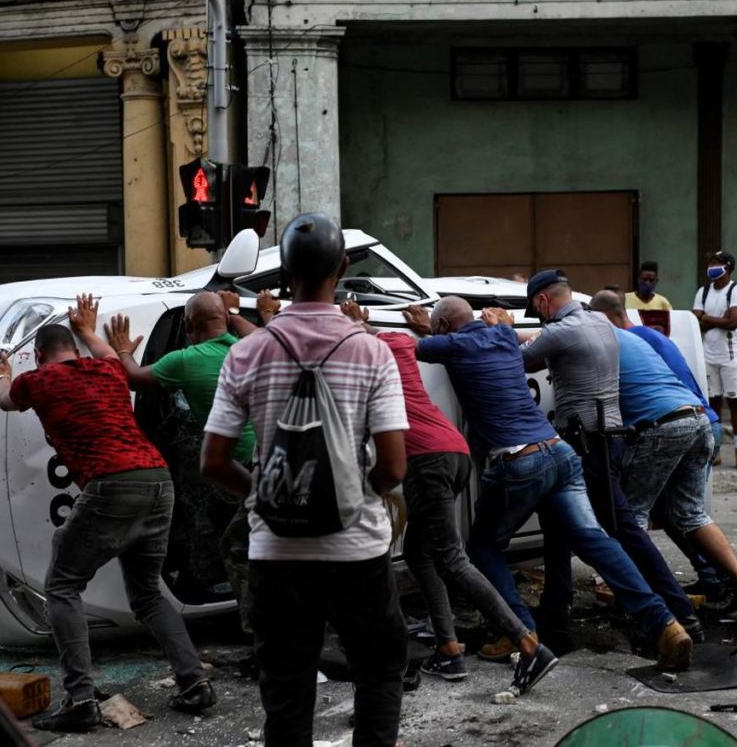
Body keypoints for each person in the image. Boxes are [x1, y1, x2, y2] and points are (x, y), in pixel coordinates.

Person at [201, 213, 409, 747]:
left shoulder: (247, 351)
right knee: (379, 673)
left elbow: (213, 461)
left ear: (284, 272)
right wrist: (359, 493)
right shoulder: (371, 350)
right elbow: (393, 467)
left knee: (287, 694)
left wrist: (267, 493)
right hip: (357, 550)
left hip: (275, 553)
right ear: (342, 268)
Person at [403, 297, 693, 673]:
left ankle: (518, 629)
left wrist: (417, 328)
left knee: (483, 547)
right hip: (560, 452)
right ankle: (666, 625)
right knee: (596, 542)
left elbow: (406, 345)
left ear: (443, 328)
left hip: (519, 460)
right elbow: (522, 334)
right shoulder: (504, 336)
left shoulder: (455, 344)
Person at [0, 295, 213, 733]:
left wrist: (2, 375)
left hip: (111, 484)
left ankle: (80, 699)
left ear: (40, 356)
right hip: (158, 481)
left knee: (62, 586)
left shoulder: (39, 380)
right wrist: (89, 329)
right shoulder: (107, 370)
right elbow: (110, 355)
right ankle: (194, 682)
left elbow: (6, 399)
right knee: (148, 595)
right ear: (77, 351)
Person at [341, 298, 555, 688]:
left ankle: (528, 644)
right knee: (422, 555)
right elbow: (393, 338)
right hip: (453, 450)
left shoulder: (366, 346)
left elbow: (363, 343)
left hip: (425, 459)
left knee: (452, 559)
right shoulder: (400, 342)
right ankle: (449, 650)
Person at [519, 270, 698, 645]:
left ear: (542, 302)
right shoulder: (600, 323)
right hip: (609, 438)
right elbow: (543, 350)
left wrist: (496, 328)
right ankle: (556, 616)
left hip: (585, 443)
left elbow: (521, 359)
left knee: (612, 532)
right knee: (560, 525)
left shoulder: (559, 332)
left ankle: (672, 613)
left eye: (537, 312)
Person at [587, 296, 737, 617]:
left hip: (662, 427)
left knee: (631, 515)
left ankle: (644, 602)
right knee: (688, 514)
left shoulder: (608, 338)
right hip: (699, 419)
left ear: (601, 318)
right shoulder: (643, 337)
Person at [102, 291, 258, 636]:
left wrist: (124, 349)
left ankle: (262, 637)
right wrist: (231, 312)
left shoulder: (184, 360)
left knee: (238, 549)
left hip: (235, 471)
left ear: (188, 327)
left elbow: (132, 377)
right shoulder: (250, 346)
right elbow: (261, 333)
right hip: (267, 464)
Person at [693, 250, 737, 472]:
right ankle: (715, 451)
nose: (711, 267)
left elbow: (733, 322)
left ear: (727, 267)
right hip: (708, 354)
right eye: (710, 263)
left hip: (731, 355)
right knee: (712, 403)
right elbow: (694, 320)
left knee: (735, 401)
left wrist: (706, 318)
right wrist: (719, 319)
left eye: (716, 264)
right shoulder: (703, 291)